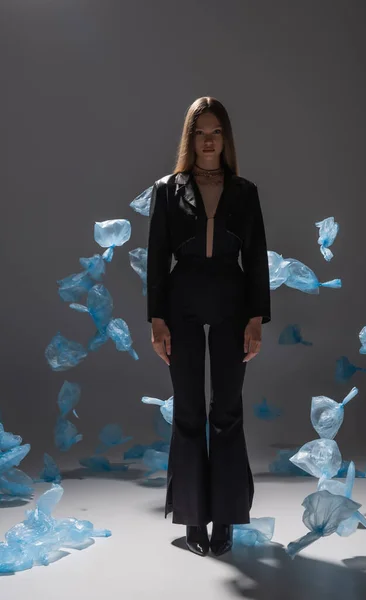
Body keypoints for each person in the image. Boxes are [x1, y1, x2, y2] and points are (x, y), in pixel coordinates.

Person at [146, 96, 271, 557]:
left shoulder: (245, 191)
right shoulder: (167, 189)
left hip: (232, 299)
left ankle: (226, 521)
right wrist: (156, 319)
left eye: (216, 131)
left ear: (226, 138)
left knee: (227, 411)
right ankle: (193, 519)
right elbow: (158, 258)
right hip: (182, 299)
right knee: (189, 411)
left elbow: (256, 258)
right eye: (200, 132)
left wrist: (256, 317)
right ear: (190, 138)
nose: (208, 140)